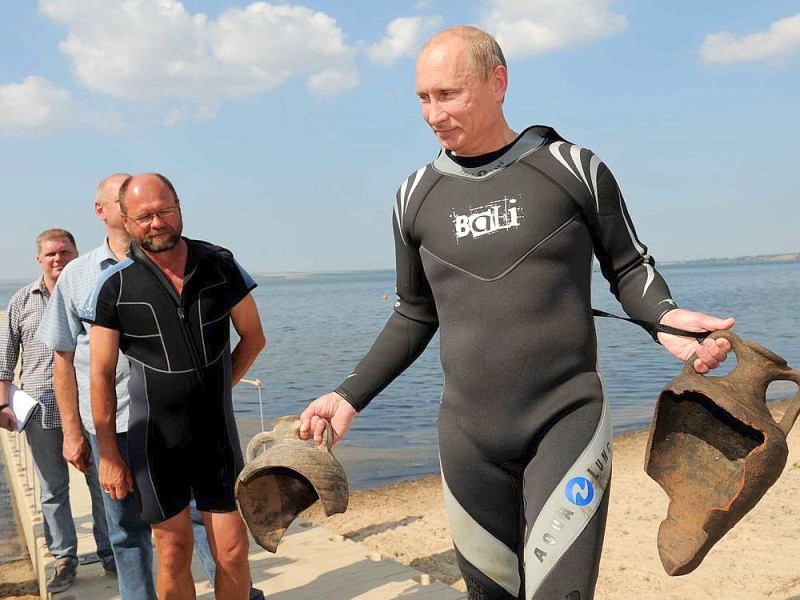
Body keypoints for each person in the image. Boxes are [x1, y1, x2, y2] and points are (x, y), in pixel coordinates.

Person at [299, 26, 736, 600]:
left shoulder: (571, 168)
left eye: (449, 94)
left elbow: (628, 267)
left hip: (565, 421)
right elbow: (414, 312)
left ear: (498, 82)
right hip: (467, 438)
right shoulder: (415, 197)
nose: (434, 114)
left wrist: (666, 322)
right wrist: (349, 394)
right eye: (423, 98)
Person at [37, 173, 266, 600]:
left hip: (216, 438)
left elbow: (254, 337)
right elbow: (100, 374)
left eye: (164, 211)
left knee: (233, 551)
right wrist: (108, 453)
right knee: (173, 551)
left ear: (179, 207)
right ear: (125, 219)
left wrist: (218, 390)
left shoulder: (218, 265)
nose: (156, 223)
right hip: (155, 442)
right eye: (144, 217)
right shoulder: (116, 287)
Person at [0, 228, 114, 593]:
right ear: (39, 259)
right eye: (51, 254)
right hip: (41, 411)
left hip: (89, 406)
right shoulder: (21, 300)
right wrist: (3, 403)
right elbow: (5, 361)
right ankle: (65, 557)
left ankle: (111, 551)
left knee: (101, 484)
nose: (58, 259)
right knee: (53, 489)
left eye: (64, 252)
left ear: (76, 253)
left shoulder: (91, 290)